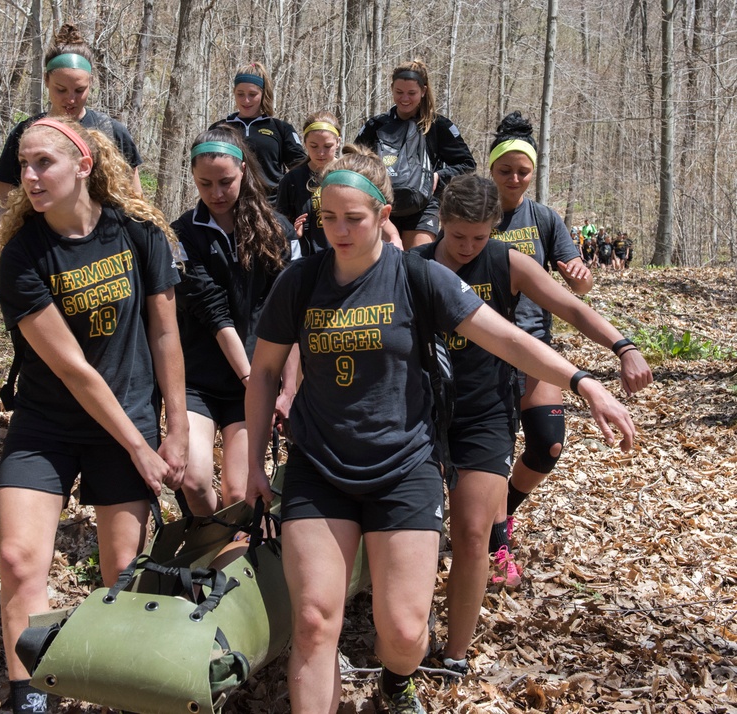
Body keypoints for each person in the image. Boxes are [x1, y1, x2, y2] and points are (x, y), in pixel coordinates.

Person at [243, 146, 636, 714]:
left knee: (404, 635)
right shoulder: (300, 282)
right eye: (329, 218)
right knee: (312, 620)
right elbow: (264, 375)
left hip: (405, 469)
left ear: (383, 216)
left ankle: (395, 681)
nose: (340, 230)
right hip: (319, 467)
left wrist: (583, 381)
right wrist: (255, 463)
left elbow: (507, 337)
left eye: (354, 218)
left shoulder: (417, 276)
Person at [413, 174, 653, 676]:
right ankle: (404, 629)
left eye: (479, 237)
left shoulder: (505, 261)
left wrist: (623, 347)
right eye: (458, 236)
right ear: (443, 222)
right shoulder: (416, 266)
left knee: (474, 532)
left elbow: (569, 306)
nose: (467, 247)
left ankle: (455, 654)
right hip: (421, 412)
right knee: (417, 530)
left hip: (483, 413)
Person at [0, 116, 188, 713]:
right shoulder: (22, 255)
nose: (29, 176)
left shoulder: (138, 232)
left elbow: (166, 332)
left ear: (83, 166)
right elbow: (74, 368)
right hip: (47, 425)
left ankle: (115, 684)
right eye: (24, 164)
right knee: (20, 560)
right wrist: (139, 445)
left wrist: (174, 427)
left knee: (121, 571)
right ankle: (29, 693)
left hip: (126, 417)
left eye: (43, 162)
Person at [486, 111, 647, 584]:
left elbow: (578, 287)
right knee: (492, 451)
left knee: (548, 443)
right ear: (491, 171)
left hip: (535, 347)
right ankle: (496, 544)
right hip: (483, 346)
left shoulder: (543, 218)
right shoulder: (479, 212)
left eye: (523, 171)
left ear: (533, 173)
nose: (515, 178)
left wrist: (581, 278)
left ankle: (503, 512)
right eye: (505, 170)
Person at [172, 127, 298, 515]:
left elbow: (292, 316)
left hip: (259, 376)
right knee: (192, 481)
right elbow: (213, 312)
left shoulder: (279, 230)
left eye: (226, 181)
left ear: (244, 169)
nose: (217, 193)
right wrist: (249, 379)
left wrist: (288, 389)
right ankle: (206, 543)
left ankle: (226, 562)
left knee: (238, 494)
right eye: (205, 183)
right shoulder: (180, 235)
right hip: (203, 380)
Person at [0, 23, 144, 241]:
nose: (70, 99)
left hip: (105, 246)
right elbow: (0, 203)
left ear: (91, 83)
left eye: (79, 90)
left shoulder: (113, 132)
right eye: (60, 89)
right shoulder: (26, 133)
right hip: (41, 250)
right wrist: (0, 242)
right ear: (46, 81)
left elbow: (135, 200)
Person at [355, 59, 475, 250]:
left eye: (412, 93)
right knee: (387, 264)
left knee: (418, 263)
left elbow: (467, 165)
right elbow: (355, 163)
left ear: (424, 91)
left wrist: (438, 176)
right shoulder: (375, 126)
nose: (405, 99)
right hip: (383, 205)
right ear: (391, 89)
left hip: (424, 206)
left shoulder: (438, 126)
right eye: (399, 92)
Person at [211, 63, 306, 196]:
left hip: (272, 206)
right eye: (240, 94)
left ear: (263, 94)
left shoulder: (281, 128)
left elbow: (301, 168)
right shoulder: (219, 129)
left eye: (252, 94)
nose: (246, 100)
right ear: (234, 93)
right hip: (230, 206)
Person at [275, 111, 342, 255]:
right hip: (308, 259)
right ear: (304, 143)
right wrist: (292, 233)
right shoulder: (292, 179)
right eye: (314, 146)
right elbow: (280, 225)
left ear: (338, 143)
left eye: (327, 146)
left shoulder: (350, 173)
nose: (321, 153)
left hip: (346, 256)